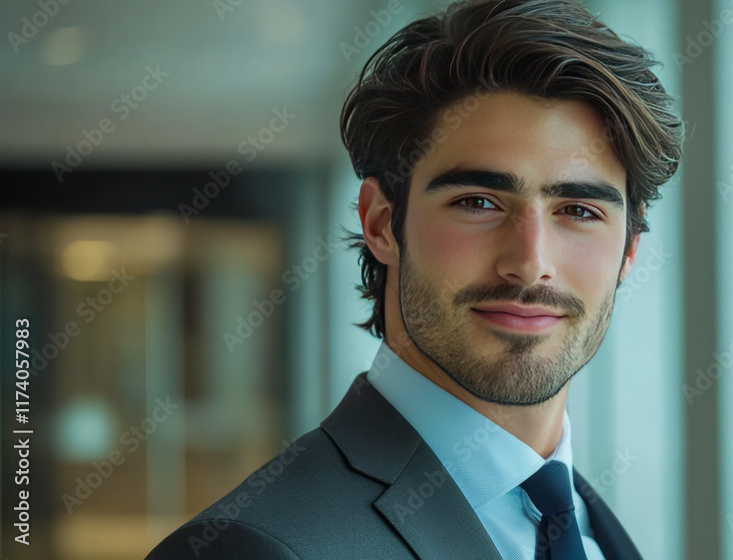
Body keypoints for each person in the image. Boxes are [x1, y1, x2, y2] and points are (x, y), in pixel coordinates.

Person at [146, 0, 681, 557]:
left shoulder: (595, 533)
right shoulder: (250, 547)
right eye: (479, 202)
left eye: (579, 210)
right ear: (381, 223)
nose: (529, 262)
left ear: (629, 250)